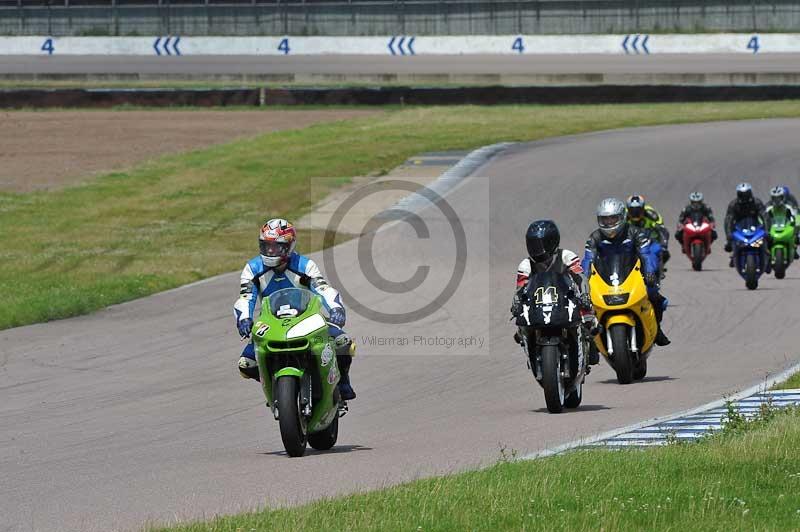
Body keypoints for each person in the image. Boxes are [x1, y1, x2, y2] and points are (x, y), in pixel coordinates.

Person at [234, 218, 356, 400]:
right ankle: (277, 387)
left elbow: (323, 289)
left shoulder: (305, 265)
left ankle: (342, 382)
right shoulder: (252, 269)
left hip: (307, 319)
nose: (270, 251)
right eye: (266, 246)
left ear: (289, 247)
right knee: (246, 364)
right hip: (270, 323)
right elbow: (246, 297)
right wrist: (244, 319)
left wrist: (336, 309)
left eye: (276, 247)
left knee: (343, 342)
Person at [582, 198, 671, 346]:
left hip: (633, 275)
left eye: (613, 219)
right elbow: (587, 260)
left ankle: (657, 330)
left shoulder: (635, 233)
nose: (609, 223)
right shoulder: (594, 237)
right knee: (585, 304)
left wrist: (649, 272)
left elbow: (646, 254)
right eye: (605, 220)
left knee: (655, 295)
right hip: (605, 277)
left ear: (622, 217)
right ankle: (591, 341)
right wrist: (584, 279)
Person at [511, 220, 599, 365]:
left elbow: (581, 278)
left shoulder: (566, 256)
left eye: (540, 244)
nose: (536, 249)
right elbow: (520, 289)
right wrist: (516, 303)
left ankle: (590, 347)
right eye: (532, 244)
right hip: (538, 304)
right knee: (521, 327)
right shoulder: (526, 264)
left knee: (590, 319)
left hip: (566, 299)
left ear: (552, 242)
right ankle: (532, 353)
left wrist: (584, 294)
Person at [724, 182, 767, 269]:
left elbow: (765, 217)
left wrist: (767, 230)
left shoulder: (757, 202)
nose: (745, 197)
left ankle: (766, 254)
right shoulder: (733, 204)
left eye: (746, 194)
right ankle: (734, 254)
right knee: (730, 242)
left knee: (767, 239)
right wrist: (728, 235)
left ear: (750, 193)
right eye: (742, 194)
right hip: (739, 227)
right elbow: (728, 220)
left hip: (755, 226)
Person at [626, 194, 671, 267]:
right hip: (630, 240)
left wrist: (663, 245)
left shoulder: (651, 214)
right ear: (628, 209)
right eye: (632, 210)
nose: (635, 213)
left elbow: (662, 229)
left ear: (643, 209)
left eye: (638, 210)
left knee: (664, 253)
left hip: (649, 239)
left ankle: (659, 268)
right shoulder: (623, 215)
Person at [765, 186, 800, 260]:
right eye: (775, 198)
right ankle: (766, 252)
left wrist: (795, 223)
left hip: (786, 220)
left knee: (797, 234)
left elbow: (796, 212)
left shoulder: (790, 202)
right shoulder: (769, 205)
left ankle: (794, 246)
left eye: (779, 198)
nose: (777, 200)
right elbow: (763, 215)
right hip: (774, 223)